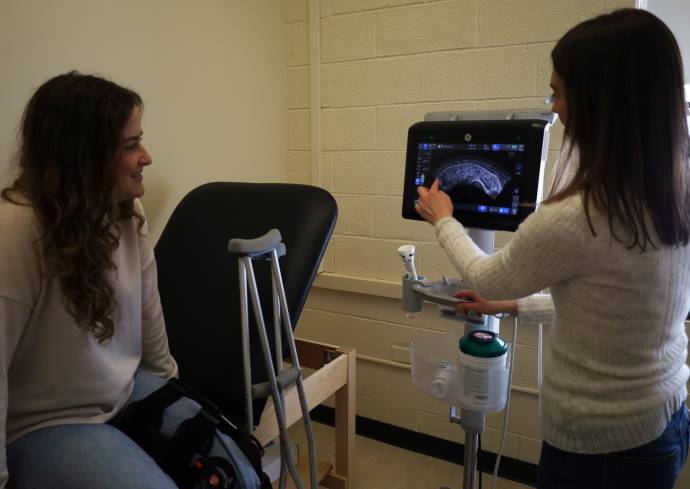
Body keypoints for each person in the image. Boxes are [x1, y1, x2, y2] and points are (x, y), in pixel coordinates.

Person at [414, 8, 690, 489]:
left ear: (600, 104)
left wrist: (444, 218)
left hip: (597, 451)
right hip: (665, 421)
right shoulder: (674, 195)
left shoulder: (578, 215)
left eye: (559, 92)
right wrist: (515, 305)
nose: (554, 107)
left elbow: (485, 275)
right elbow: (612, 304)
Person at [0, 72, 180, 488]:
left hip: (125, 392)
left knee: (236, 469)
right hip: (44, 423)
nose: (147, 157)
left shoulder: (128, 213)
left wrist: (171, 397)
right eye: (132, 145)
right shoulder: (15, 228)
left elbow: (150, 320)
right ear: (86, 156)